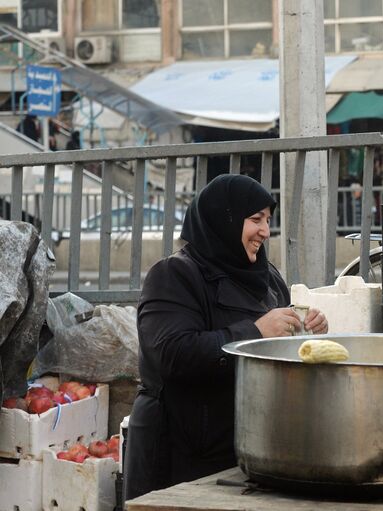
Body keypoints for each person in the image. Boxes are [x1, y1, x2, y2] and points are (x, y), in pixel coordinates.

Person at [124, 174, 329, 499]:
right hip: (180, 455)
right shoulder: (174, 275)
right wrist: (256, 332)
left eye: (268, 220)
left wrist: (306, 330)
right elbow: (172, 353)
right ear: (225, 219)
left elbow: (276, 342)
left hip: (244, 450)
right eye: (255, 219)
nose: (265, 230)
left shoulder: (266, 276)